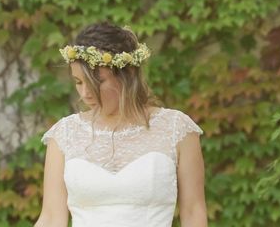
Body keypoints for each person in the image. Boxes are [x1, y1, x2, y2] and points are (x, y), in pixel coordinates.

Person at [34, 22, 208, 227]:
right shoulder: (64, 134)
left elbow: (193, 211)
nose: (85, 94)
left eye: (96, 82)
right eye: (78, 82)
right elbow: (52, 217)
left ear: (129, 74)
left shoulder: (176, 129)